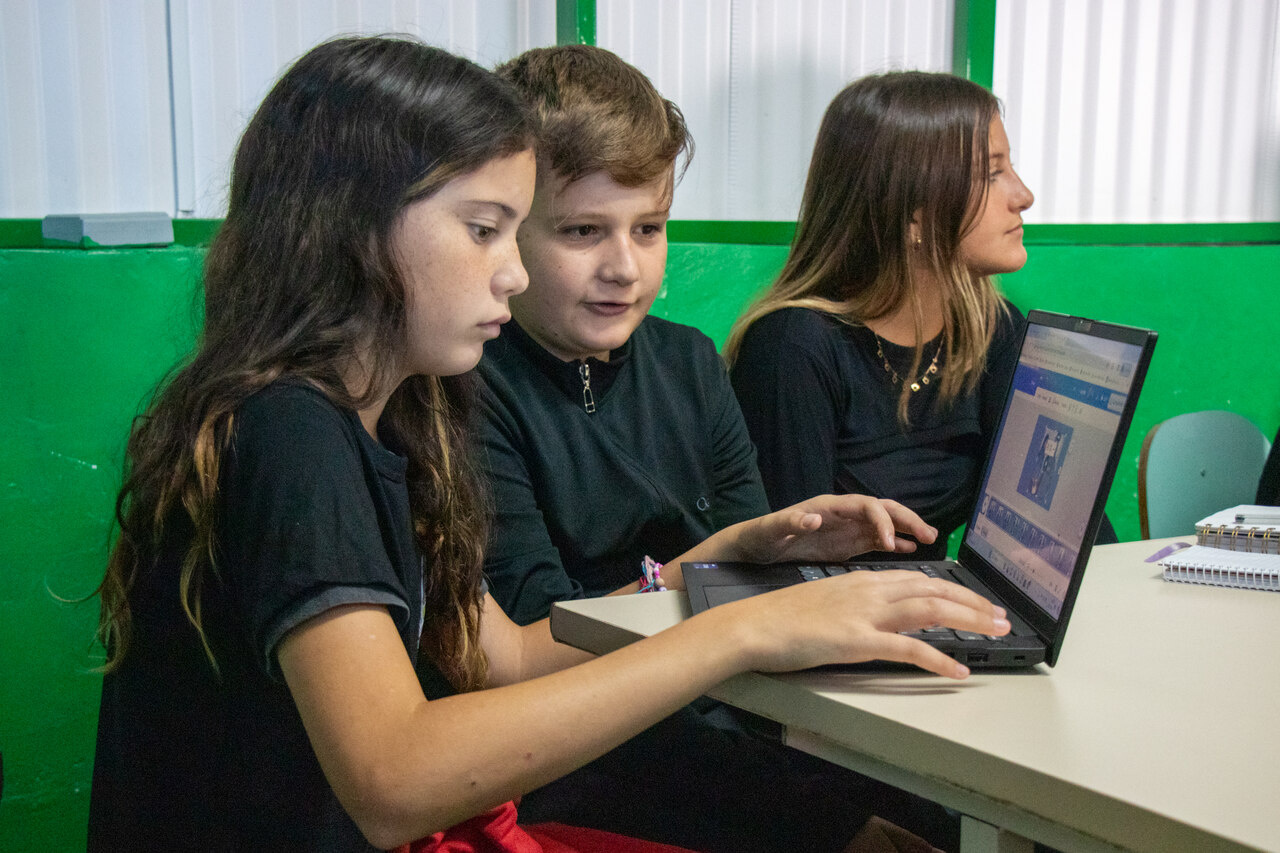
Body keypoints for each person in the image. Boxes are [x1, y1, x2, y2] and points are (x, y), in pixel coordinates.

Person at [87, 37, 1009, 852]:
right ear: (351, 232)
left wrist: (721, 560)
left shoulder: (394, 415)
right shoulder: (291, 430)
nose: (514, 271)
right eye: (485, 230)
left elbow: (511, 658)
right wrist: (739, 628)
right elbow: (393, 778)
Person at [478, 46, 961, 853]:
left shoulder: (690, 361)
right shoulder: (471, 388)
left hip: (729, 718)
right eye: (583, 231)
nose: (623, 266)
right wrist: (725, 556)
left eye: (649, 228)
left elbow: (747, 588)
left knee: (940, 811)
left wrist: (787, 550)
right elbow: (547, 635)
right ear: (507, 230)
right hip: (582, 756)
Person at [724, 71, 1035, 560]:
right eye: (991, 174)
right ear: (912, 214)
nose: (1023, 195)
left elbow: (1048, 527)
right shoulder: (792, 348)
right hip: (824, 605)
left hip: (933, 601)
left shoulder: (992, 327)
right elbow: (786, 570)